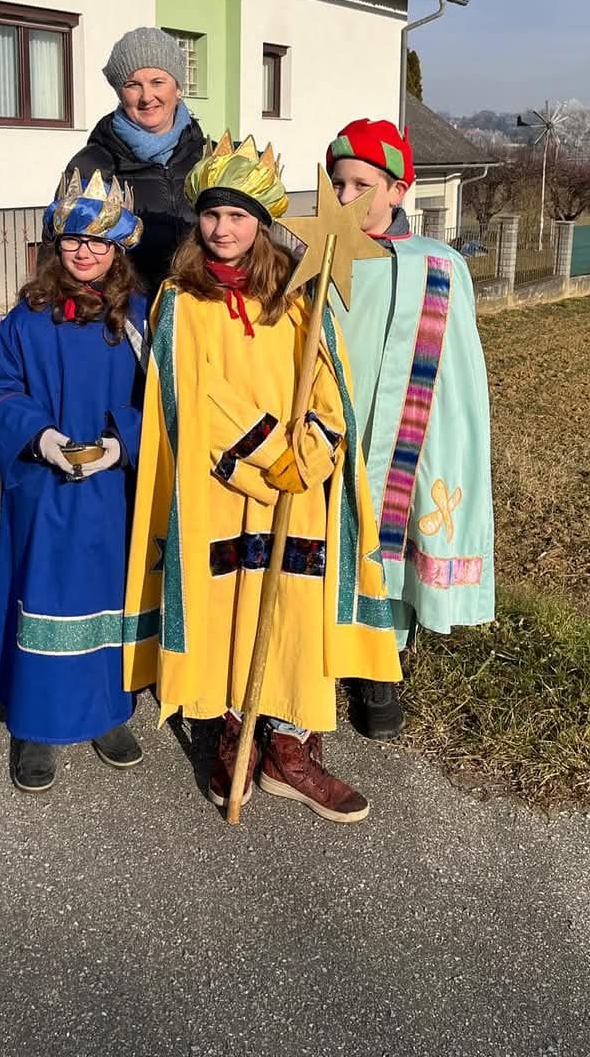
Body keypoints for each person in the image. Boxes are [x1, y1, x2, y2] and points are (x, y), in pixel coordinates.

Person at [123, 134, 402, 822]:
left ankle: (287, 746)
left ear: (261, 221)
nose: (223, 229)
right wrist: (266, 453)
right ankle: (233, 734)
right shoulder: (179, 300)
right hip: (222, 486)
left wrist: (309, 455)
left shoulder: (300, 294)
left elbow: (332, 387)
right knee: (228, 606)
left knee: (292, 610)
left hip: (295, 489)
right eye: (212, 215)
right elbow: (188, 397)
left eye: (238, 216)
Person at [0, 170, 148, 792]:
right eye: (72, 239)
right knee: (42, 597)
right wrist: (38, 436)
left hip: (112, 493)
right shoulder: (27, 319)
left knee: (107, 597)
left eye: (98, 241)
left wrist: (122, 442)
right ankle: (35, 724)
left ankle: (107, 711)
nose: (84, 251)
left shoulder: (139, 319)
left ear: (118, 247)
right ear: (54, 242)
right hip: (42, 491)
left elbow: (167, 399)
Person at [325, 118, 494, 740]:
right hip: (339, 429)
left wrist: (450, 440)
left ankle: (381, 667)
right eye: (338, 184)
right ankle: (324, 651)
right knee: (333, 539)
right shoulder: (324, 257)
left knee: (391, 541)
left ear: (398, 190)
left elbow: (459, 371)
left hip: (409, 433)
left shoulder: (440, 265)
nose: (346, 197)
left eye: (361, 184)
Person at [66, 26, 205, 291]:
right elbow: (62, 260)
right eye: (133, 85)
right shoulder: (92, 166)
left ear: (178, 88)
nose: (146, 97)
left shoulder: (209, 160)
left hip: (202, 308)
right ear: (120, 93)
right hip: (124, 312)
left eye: (157, 82)